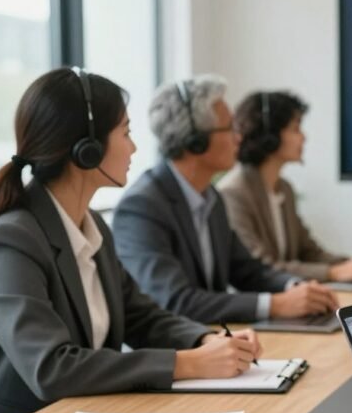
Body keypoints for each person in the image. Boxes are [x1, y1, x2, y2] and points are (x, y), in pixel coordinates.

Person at [0, 68, 263, 413]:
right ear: (87, 149)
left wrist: (204, 341)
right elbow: (51, 368)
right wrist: (186, 363)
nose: (134, 147)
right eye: (125, 133)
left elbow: (140, 316)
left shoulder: (92, 226)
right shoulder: (12, 240)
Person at [112, 75, 338, 324]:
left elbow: (246, 269)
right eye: (230, 128)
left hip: (215, 338)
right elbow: (176, 301)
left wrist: (295, 287)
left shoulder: (211, 197)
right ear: (196, 141)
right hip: (178, 345)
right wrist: (276, 304)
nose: (239, 138)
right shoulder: (142, 208)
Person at [218, 90, 352, 282]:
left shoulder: (284, 188)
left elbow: (309, 251)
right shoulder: (233, 193)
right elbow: (261, 267)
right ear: (269, 136)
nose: (304, 137)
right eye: (295, 129)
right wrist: (333, 273)